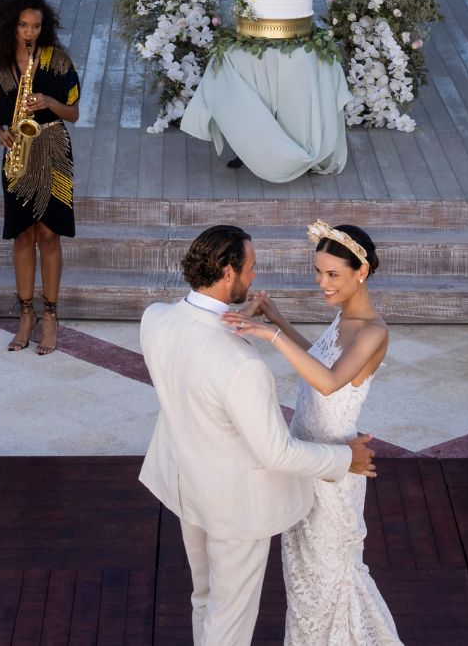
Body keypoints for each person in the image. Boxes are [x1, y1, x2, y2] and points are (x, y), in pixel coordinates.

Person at [141, 225, 377, 646]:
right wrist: (346, 460)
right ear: (229, 273)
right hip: (235, 507)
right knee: (227, 622)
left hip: (184, 486)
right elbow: (277, 453)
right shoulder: (243, 365)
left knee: (204, 598)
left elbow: (202, 358)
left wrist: (269, 324)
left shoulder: (156, 319)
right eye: (249, 269)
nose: (253, 278)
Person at [226, 222, 402, 646]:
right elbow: (318, 359)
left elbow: (328, 382)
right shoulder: (344, 316)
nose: (321, 283)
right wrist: (277, 318)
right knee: (302, 575)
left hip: (336, 466)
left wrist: (269, 335)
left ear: (361, 271)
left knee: (329, 575)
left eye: (332, 275)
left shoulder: (373, 331)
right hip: (304, 457)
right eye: (318, 272)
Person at [0, 0, 80, 357]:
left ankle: (50, 316)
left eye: (36, 26)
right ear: (11, 25)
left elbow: (74, 113)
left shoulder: (58, 62)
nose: (30, 32)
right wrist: (0, 133)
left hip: (54, 149)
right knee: (23, 236)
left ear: (45, 27)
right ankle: (26, 316)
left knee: (50, 237)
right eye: (24, 25)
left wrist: (51, 102)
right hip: (17, 154)